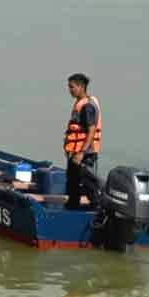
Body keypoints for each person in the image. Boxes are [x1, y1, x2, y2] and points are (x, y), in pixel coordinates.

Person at [63, 73, 102, 210]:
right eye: (69, 87)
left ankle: (97, 210)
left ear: (81, 86)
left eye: (72, 87)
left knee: (88, 184)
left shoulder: (87, 107)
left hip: (84, 154)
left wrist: (81, 152)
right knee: (73, 183)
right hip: (75, 154)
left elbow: (91, 130)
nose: (70, 90)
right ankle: (72, 208)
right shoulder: (80, 104)